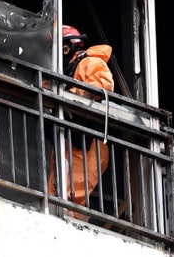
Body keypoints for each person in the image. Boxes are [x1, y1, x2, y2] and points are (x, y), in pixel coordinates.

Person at [47, 25, 114, 219]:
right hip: (69, 141)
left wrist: (71, 95)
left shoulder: (89, 63)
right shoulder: (66, 72)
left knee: (72, 197)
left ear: (67, 48)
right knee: (54, 192)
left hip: (87, 145)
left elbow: (103, 84)